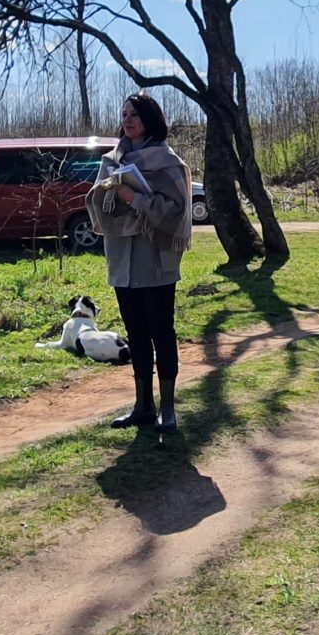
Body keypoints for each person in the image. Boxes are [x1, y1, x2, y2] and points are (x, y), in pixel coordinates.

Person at [85, 93, 192, 432]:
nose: (127, 120)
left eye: (134, 114)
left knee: (162, 332)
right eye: (124, 114)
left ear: (150, 118)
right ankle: (142, 406)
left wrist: (135, 198)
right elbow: (98, 204)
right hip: (122, 260)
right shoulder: (111, 160)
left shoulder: (168, 162)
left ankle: (168, 409)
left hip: (155, 260)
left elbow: (175, 210)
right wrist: (109, 194)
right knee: (136, 333)